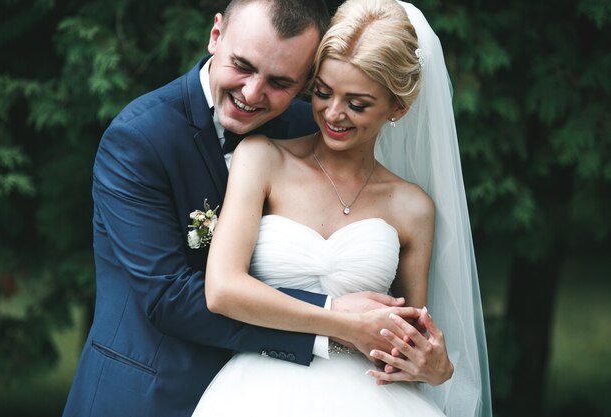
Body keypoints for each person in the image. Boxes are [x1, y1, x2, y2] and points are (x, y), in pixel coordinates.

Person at [62, 1, 451, 416]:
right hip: (151, 394)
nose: (252, 93)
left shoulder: (315, 126)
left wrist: (432, 364)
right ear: (216, 36)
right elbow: (170, 297)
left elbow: (402, 324)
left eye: (281, 82)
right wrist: (338, 322)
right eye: (242, 66)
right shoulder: (140, 139)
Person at [192, 0, 492, 416]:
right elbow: (223, 289)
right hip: (257, 393)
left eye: (358, 103)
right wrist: (347, 324)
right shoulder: (262, 158)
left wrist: (434, 366)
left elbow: (404, 340)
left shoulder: (413, 208)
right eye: (322, 92)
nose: (333, 114)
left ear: (398, 109)